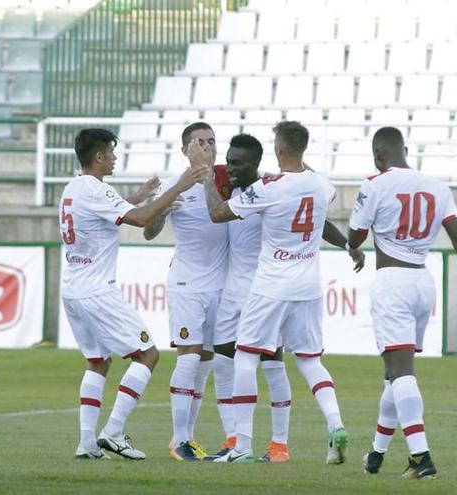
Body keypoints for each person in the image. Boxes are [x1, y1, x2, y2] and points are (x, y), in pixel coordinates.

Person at [201, 121, 363, 464]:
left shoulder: (269, 189)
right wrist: (350, 245)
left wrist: (204, 178)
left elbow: (217, 214)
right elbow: (321, 201)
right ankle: (335, 424)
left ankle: (241, 446)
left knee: (244, 357)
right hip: (308, 287)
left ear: (278, 151)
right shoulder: (321, 185)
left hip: (272, 285)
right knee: (309, 360)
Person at [347, 126, 457, 479]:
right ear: (405, 150)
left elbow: (355, 235)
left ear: (378, 155)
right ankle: (376, 455)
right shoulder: (437, 187)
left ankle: (420, 457)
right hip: (423, 282)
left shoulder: (375, 183)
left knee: (402, 373)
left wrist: (355, 243)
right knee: (392, 375)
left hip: (392, 282)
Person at [60, 128, 206, 460]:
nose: (114, 157)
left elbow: (114, 212)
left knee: (98, 362)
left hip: (73, 288)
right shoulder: (97, 190)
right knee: (147, 355)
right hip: (97, 290)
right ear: (98, 156)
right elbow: (139, 221)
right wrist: (179, 186)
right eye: (111, 152)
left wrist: (138, 196)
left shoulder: (73, 188)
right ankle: (112, 432)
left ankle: (86, 443)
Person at [142, 122, 228, 461]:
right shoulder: (171, 185)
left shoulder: (225, 180)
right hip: (187, 283)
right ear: (185, 150)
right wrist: (167, 200)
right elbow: (149, 231)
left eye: (212, 141)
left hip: (221, 284)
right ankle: (178, 439)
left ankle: (189, 437)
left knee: (206, 362)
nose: (208, 147)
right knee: (189, 356)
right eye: (200, 142)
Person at [206, 133, 293, 464]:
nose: (229, 167)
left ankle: (278, 445)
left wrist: (345, 244)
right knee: (223, 362)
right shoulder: (234, 193)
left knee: (272, 364)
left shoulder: (272, 191)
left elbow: (316, 216)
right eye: (228, 161)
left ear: (256, 164)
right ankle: (233, 440)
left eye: (237, 162)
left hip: (265, 291)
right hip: (233, 291)